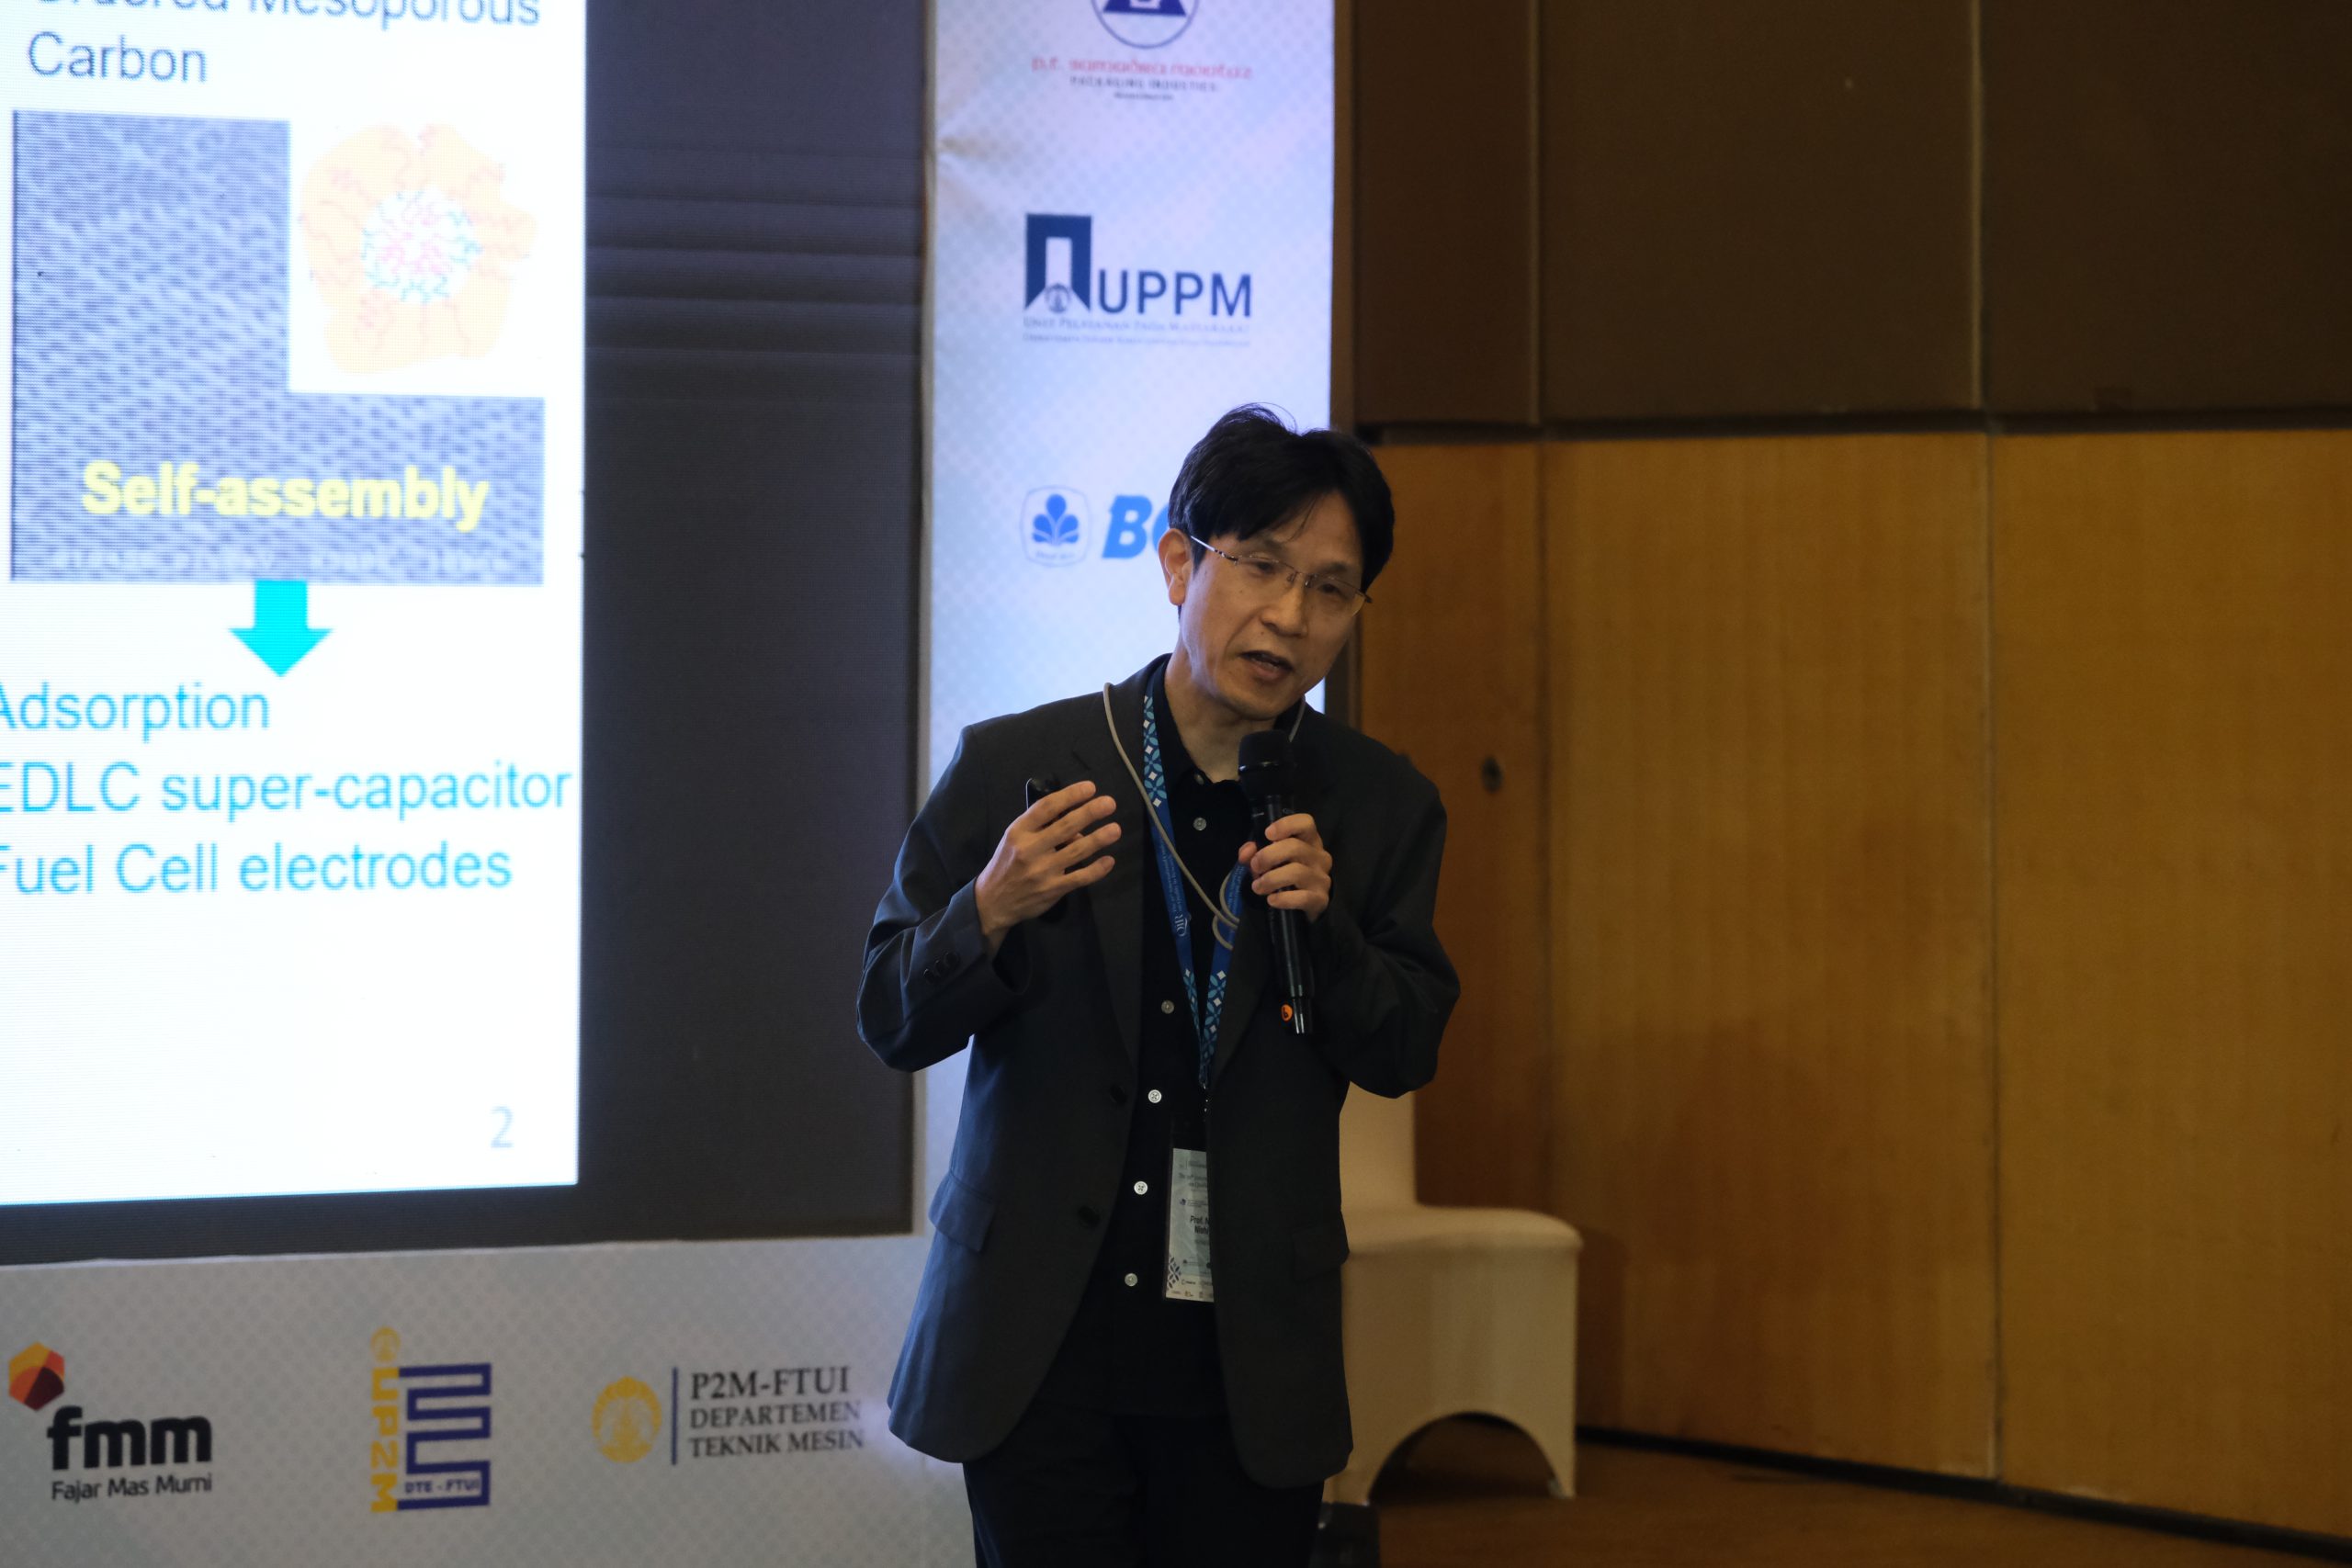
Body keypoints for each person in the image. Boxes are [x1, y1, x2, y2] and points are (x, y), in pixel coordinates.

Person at [858, 405, 1458, 1566]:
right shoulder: (1021, 766)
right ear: (1181, 563)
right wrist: (989, 908)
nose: (1289, 616)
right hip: (1040, 1349)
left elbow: (1403, 1051)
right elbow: (889, 1014)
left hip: (1246, 1363)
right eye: (1262, 567)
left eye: (1330, 589)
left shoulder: (1379, 805)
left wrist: (1327, 933)